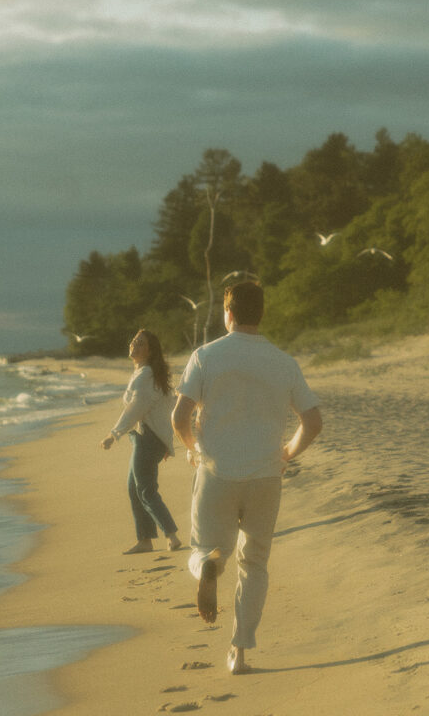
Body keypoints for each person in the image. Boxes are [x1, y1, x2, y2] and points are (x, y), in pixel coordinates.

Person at [171, 281, 322, 675]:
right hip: (265, 476)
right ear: (261, 314)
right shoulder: (283, 362)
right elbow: (313, 421)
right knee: (254, 563)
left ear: (229, 314)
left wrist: (193, 447)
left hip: (217, 471)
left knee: (205, 549)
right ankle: (239, 652)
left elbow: (179, 417)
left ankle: (206, 565)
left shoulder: (205, 356)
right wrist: (288, 450)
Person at [101, 329, 182, 554]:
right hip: (146, 439)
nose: (134, 344)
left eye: (140, 343)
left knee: (145, 490)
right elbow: (164, 408)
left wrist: (113, 434)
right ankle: (145, 540)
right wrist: (166, 442)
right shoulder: (144, 373)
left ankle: (171, 535)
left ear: (150, 351)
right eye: (134, 341)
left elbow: (136, 409)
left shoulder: (146, 375)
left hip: (148, 439)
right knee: (134, 488)